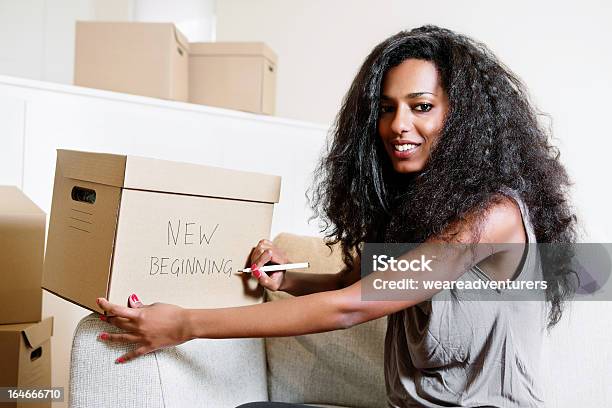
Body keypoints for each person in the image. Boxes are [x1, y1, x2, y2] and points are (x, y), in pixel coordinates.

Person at [95, 25, 578, 407]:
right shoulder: (421, 211)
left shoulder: (494, 217)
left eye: (422, 107)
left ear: (464, 119)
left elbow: (353, 305)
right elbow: (352, 281)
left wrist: (185, 324)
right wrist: (287, 282)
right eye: (386, 109)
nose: (398, 125)